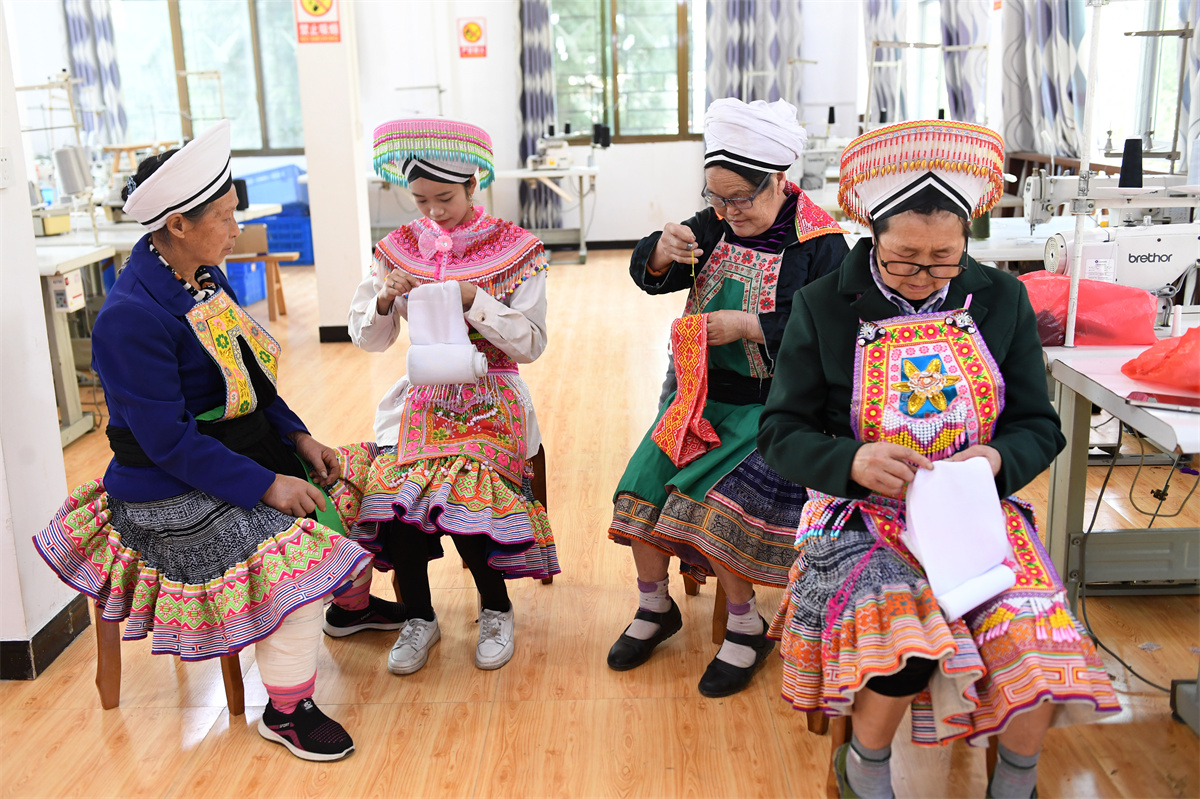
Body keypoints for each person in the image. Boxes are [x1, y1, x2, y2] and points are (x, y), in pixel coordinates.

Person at [759, 120, 1121, 798]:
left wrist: (994, 460)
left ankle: (1016, 778)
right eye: (904, 258)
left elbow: (1038, 426)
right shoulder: (822, 306)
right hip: (859, 516)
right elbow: (780, 431)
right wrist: (854, 459)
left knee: (1035, 642)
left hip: (972, 515)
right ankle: (864, 763)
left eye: (944, 258)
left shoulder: (1000, 298)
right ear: (872, 236)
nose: (925, 276)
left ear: (966, 243)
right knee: (908, 645)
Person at [33, 121, 372, 762]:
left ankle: (348, 612)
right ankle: (287, 710)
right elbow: (167, 442)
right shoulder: (131, 317)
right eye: (223, 217)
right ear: (178, 227)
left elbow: (253, 382)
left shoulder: (206, 283)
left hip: (227, 455)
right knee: (293, 566)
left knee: (355, 489)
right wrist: (268, 482)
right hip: (166, 492)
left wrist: (298, 440)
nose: (235, 227)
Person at [605, 98, 848, 698]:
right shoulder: (715, 222)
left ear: (781, 183)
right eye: (717, 198)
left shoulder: (823, 244)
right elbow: (650, 271)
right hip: (699, 395)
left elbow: (834, 329)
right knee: (641, 483)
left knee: (720, 508)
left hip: (780, 409)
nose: (728, 211)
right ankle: (654, 607)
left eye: (741, 198)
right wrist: (664, 249)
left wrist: (749, 325)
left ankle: (745, 626)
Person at [346, 117, 558, 676]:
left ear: (473, 187)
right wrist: (386, 302)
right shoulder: (396, 250)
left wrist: (474, 300)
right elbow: (370, 340)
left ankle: (495, 608)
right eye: (420, 200)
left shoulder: (517, 250)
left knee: (467, 489)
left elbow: (531, 344)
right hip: (422, 395)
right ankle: (419, 615)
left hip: (493, 389)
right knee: (393, 497)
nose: (433, 212)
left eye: (445, 198)